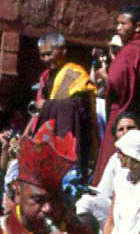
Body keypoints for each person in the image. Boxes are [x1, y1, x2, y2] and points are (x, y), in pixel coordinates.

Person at [93, 6, 140, 183]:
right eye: (118, 23)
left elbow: (116, 81)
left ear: (137, 26)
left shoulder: (129, 51)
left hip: (121, 114)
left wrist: (105, 77)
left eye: (123, 23)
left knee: (112, 162)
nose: (118, 28)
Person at [32, 31, 98, 176]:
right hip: (50, 136)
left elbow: (81, 106)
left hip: (70, 137)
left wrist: (47, 105)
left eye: (49, 54)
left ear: (63, 51)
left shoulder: (74, 73)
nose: (46, 59)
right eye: (42, 55)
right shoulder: (47, 76)